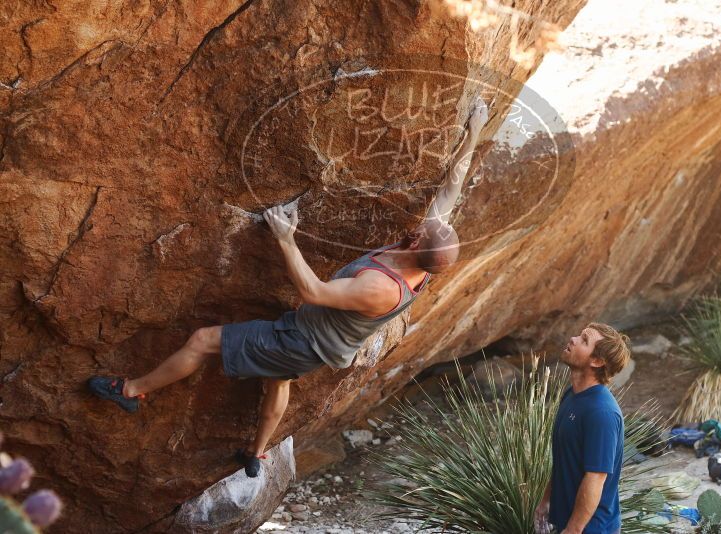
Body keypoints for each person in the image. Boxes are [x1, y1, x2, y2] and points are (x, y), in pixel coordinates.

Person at [87, 97, 489, 477]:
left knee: (202, 341)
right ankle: (257, 452)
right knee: (278, 380)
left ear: (419, 244)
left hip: (298, 341)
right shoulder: (425, 256)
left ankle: (131, 390)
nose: (424, 221)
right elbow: (449, 191)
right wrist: (473, 132)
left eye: (425, 229)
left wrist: (285, 237)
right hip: (307, 348)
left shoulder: (381, 288)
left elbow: (313, 293)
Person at [535, 323, 631, 534]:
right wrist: (546, 501)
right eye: (579, 335)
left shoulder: (602, 413)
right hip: (568, 522)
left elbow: (595, 478)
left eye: (584, 340)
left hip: (592, 528)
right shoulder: (572, 395)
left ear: (597, 361)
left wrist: (574, 529)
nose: (573, 339)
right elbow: (564, 459)